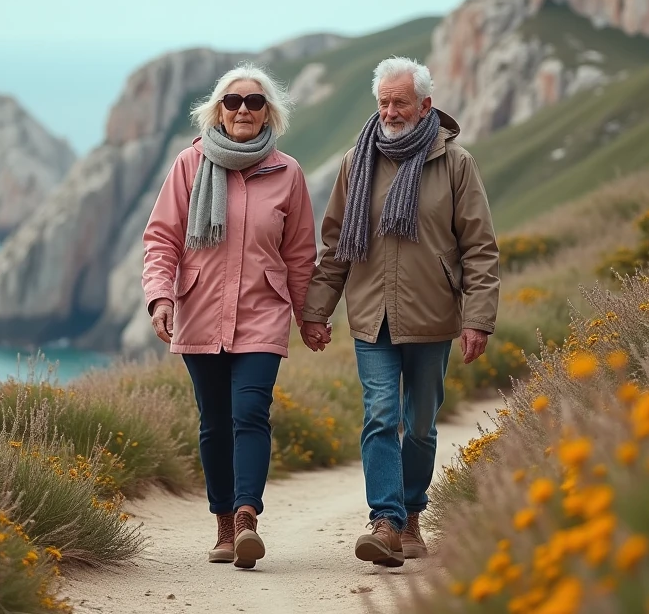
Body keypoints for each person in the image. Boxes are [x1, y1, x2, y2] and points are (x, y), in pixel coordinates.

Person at [300, 56, 500, 567]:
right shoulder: (355, 162)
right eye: (383, 102)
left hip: (432, 316)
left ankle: (413, 514)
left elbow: (479, 248)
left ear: (425, 105)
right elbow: (336, 246)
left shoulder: (455, 163)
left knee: (420, 424)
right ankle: (385, 521)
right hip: (371, 317)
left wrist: (478, 319)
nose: (389, 111)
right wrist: (317, 311)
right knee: (381, 414)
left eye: (400, 102)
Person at [141, 62, 319, 570]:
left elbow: (301, 254)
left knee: (250, 412)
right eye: (234, 101)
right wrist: (161, 297)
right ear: (218, 110)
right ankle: (222, 523)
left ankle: (246, 519)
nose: (243, 110)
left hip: (263, 312)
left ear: (269, 114)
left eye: (255, 102)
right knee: (215, 422)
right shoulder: (190, 164)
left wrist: (309, 316)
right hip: (199, 310)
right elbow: (162, 239)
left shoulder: (288, 173)